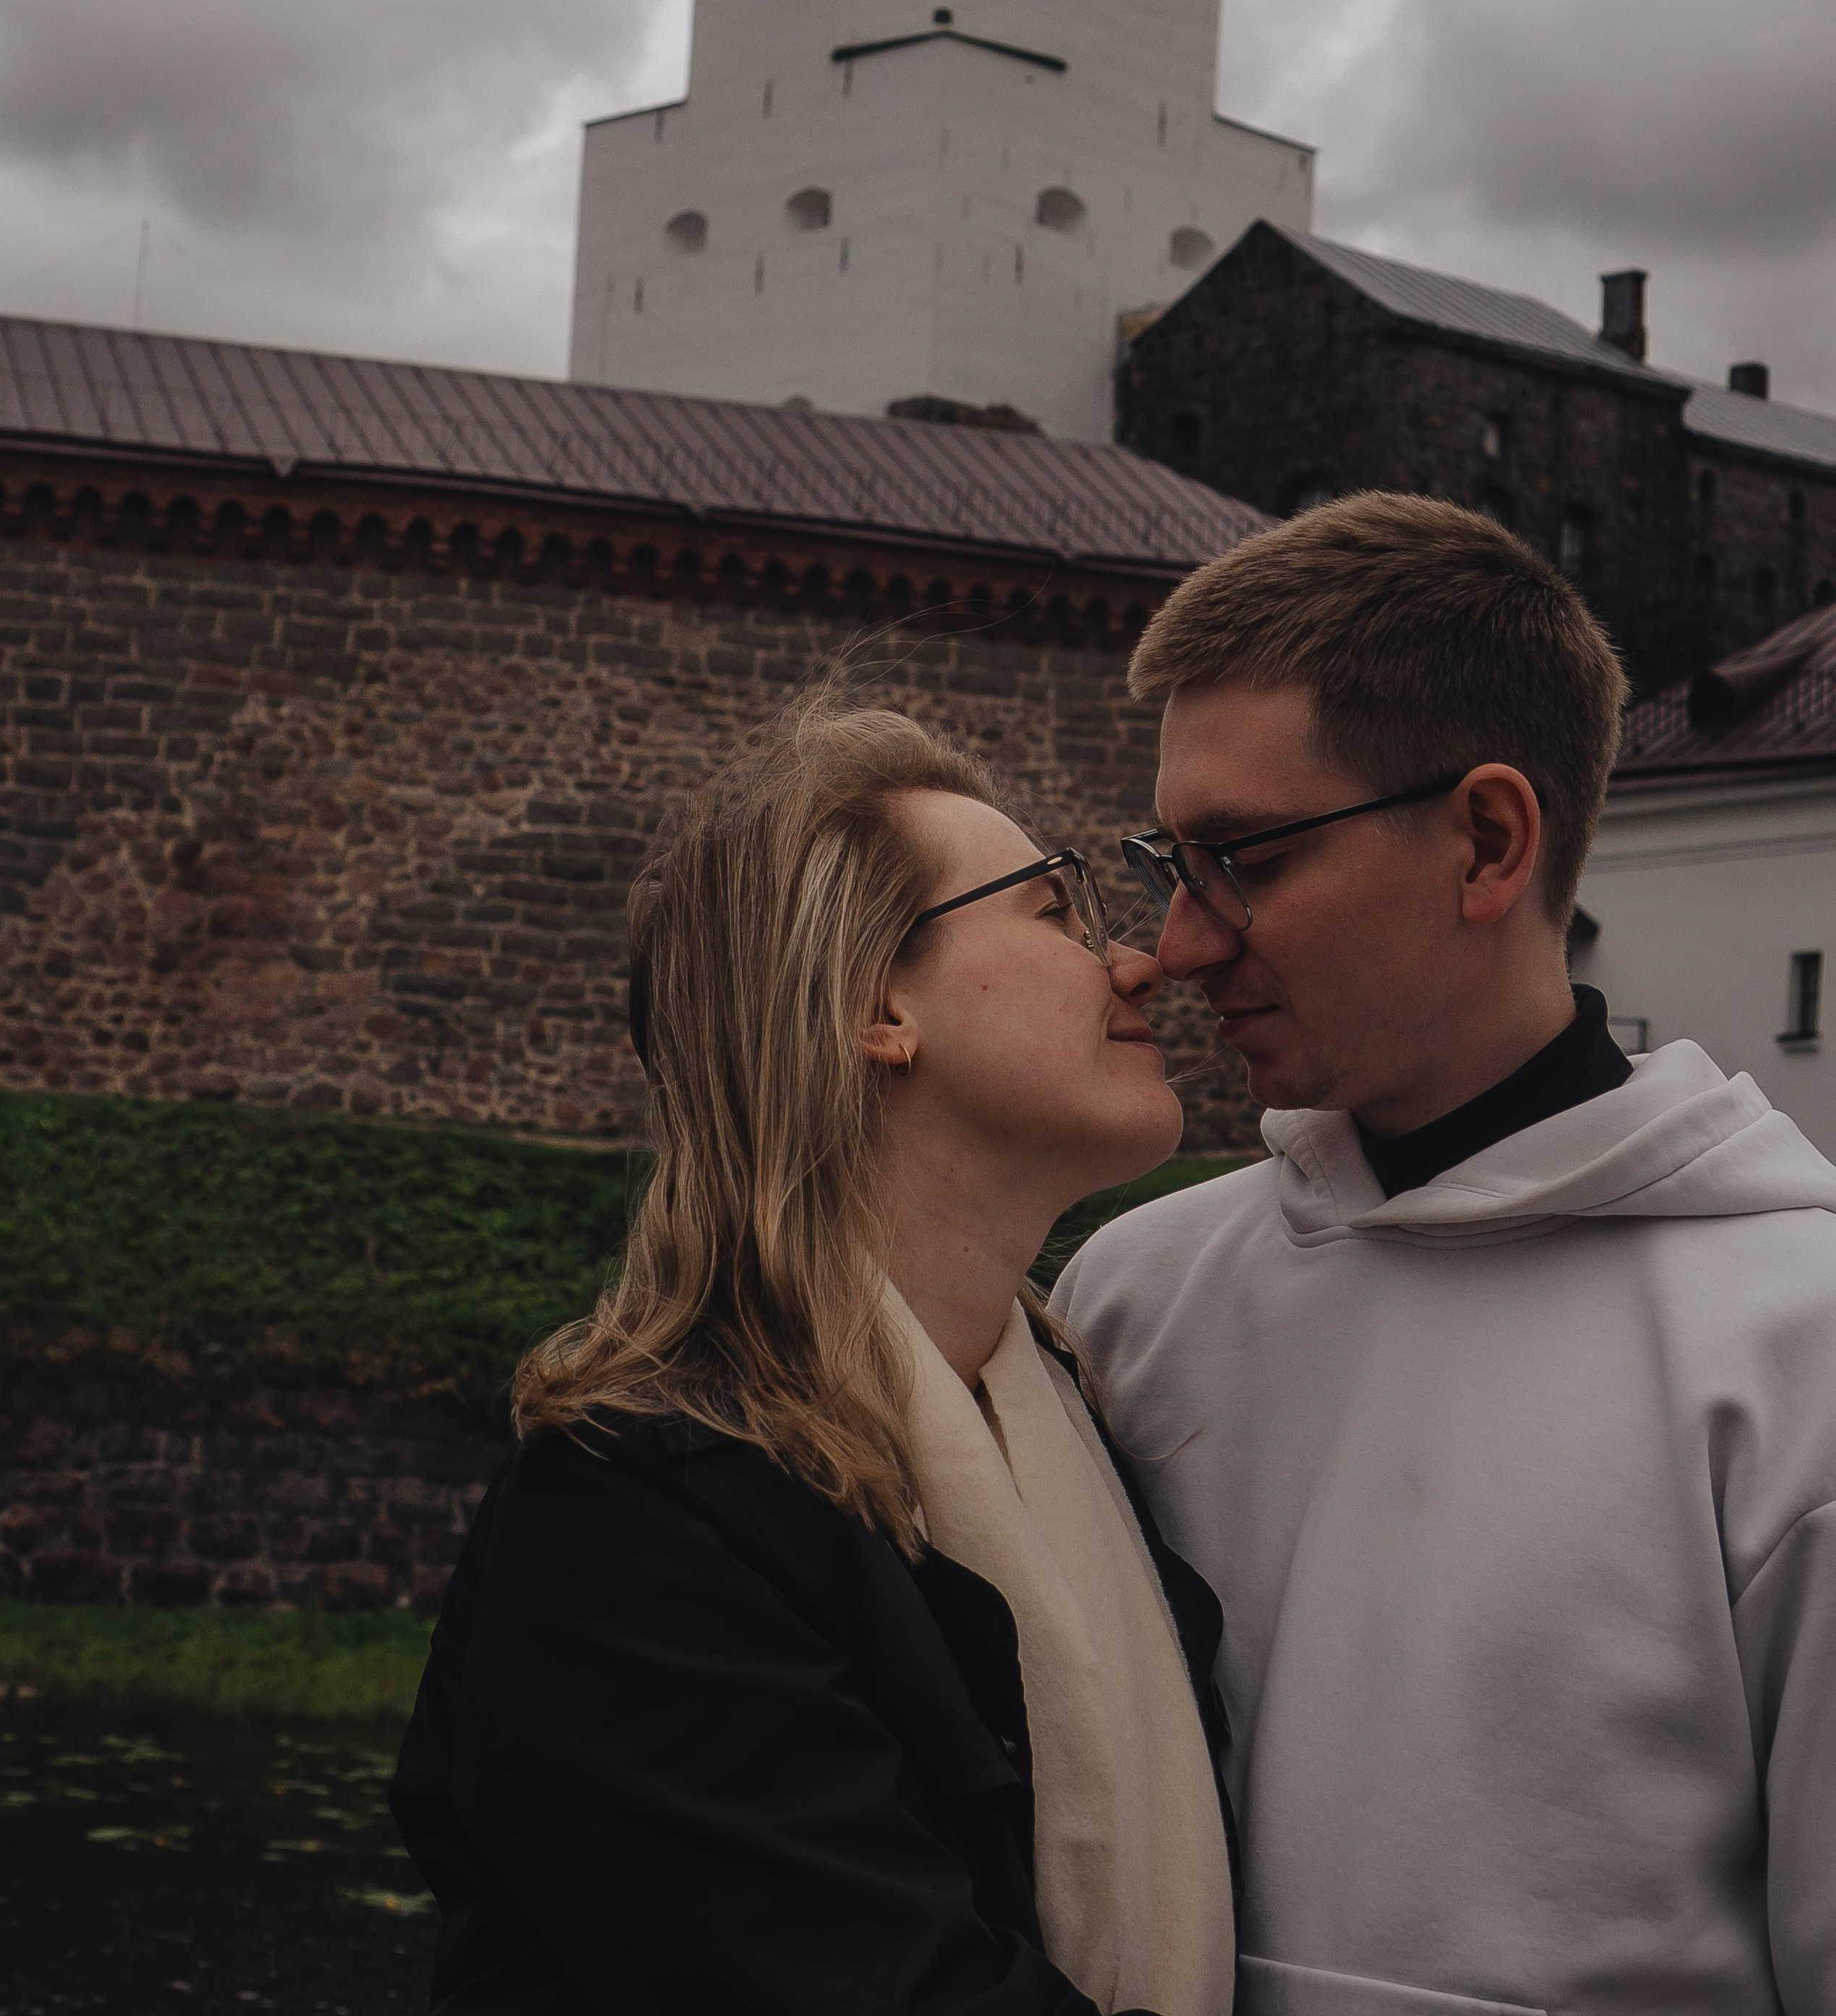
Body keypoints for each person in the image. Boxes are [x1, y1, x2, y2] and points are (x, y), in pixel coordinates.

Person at [1052, 493, 1836, 2016]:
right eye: (1168, 861)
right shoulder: (1130, 1296)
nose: (1178, 943)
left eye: (1243, 861)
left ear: (1485, 840)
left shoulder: (1798, 1344)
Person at [391, 701, 1239, 2016]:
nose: (1138, 963)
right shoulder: (634, 1517)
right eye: (1055, 910)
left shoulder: (1072, 1425)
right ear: (874, 1006)